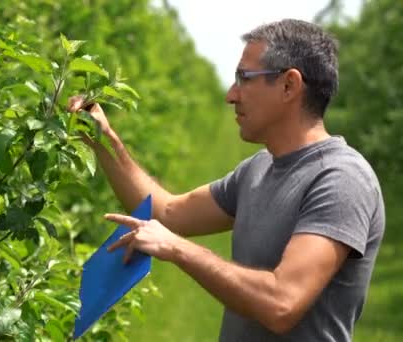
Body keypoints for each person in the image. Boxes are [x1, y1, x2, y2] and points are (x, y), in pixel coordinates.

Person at [67, 19, 384, 341]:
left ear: (289, 85)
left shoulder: (341, 179)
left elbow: (282, 303)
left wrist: (177, 249)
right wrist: (103, 141)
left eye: (244, 79)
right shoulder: (257, 170)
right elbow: (168, 213)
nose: (231, 95)